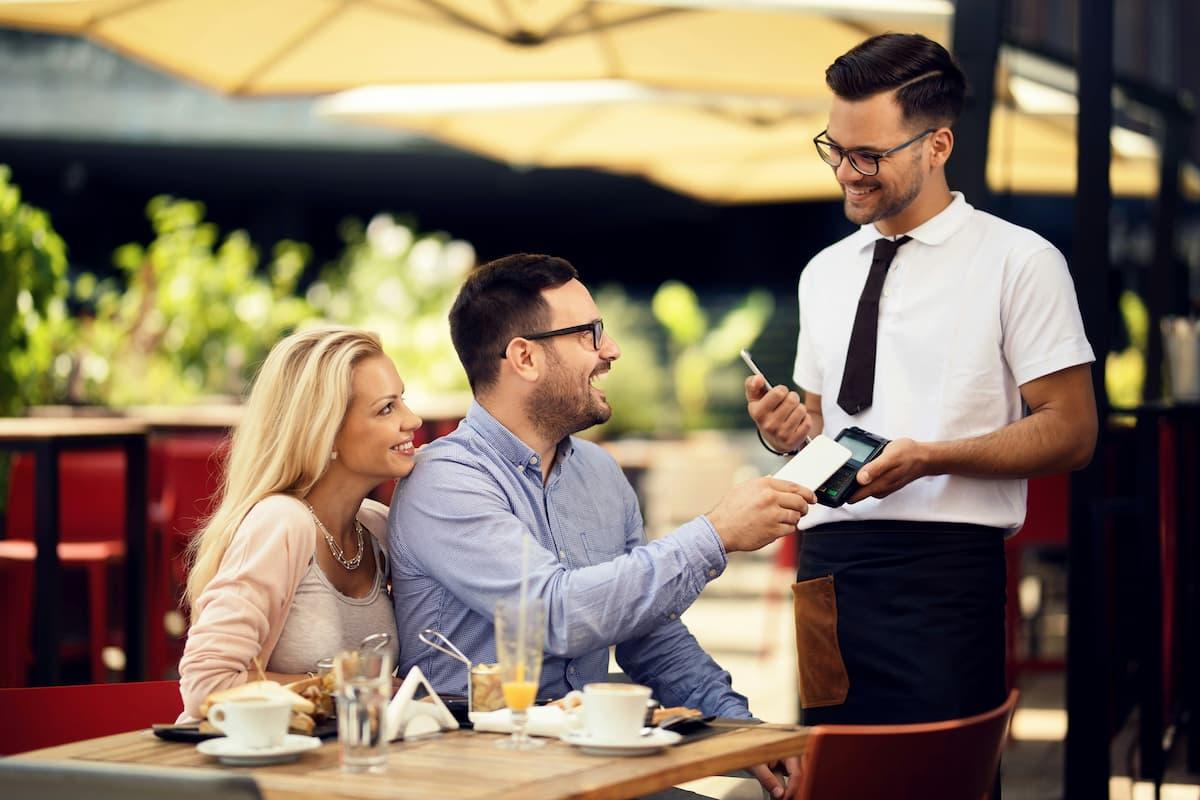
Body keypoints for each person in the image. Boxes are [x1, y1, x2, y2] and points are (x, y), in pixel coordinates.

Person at [747, 32, 1098, 734]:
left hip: (943, 575)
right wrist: (786, 431)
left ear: (938, 146)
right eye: (835, 150)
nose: (847, 172)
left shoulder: (1019, 262)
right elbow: (818, 429)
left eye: (869, 155)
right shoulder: (823, 272)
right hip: (827, 568)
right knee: (834, 772)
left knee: (941, 776)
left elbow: (1072, 430)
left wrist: (932, 457)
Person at [390, 253, 813, 798]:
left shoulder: (599, 474)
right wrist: (716, 534)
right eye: (590, 334)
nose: (610, 350)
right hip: (474, 773)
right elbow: (555, 614)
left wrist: (747, 734)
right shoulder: (445, 480)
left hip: (589, 765)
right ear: (524, 357)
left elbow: (648, 634)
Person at [178, 326, 422, 721]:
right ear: (326, 433)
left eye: (403, 400)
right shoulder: (282, 523)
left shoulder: (376, 528)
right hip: (243, 766)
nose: (412, 419)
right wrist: (340, 686)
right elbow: (206, 685)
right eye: (386, 408)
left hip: (334, 763)